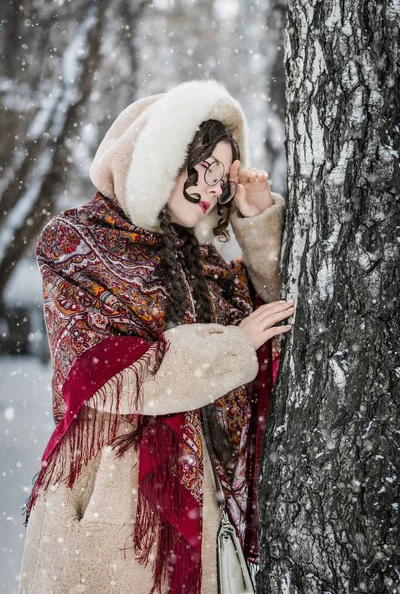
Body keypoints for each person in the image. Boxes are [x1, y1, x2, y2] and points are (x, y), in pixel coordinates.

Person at [18, 80, 294, 594]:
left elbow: (273, 324)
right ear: (161, 160)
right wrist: (232, 348)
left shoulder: (202, 264)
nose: (213, 186)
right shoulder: (75, 240)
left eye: (223, 175)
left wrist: (255, 217)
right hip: (102, 505)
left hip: (193, 500)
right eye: (202, 166)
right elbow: (103, 374)